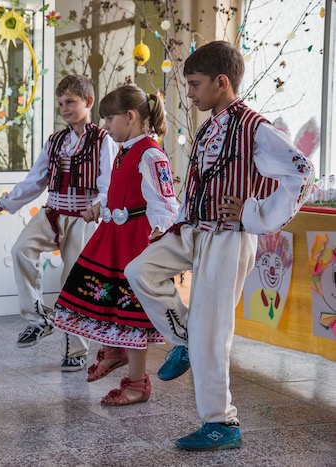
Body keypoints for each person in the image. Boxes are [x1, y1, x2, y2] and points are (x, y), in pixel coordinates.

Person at [125, 41, 315, 450]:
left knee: (213, 332)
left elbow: (303, 173)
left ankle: (221, 422)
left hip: (229, 238)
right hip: (194, 229)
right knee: (139, 271)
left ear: (221, 82)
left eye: (194, 84)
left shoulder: (254, 127)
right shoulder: (212, 124)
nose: (190, 93)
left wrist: (254, 213)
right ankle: (185, 342)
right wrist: (175, 222)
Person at [53, 85, 179, 405]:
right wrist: (102, 206)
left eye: (109, 120)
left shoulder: (151, 153)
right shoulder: (124, 148)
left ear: (130, 117)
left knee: (131, 310)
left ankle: (137, 382)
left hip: (136, 240)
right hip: (113, 234)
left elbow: (165, 203)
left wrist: (159, 235)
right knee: (98, 293)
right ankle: (113, 351)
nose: (105, 127)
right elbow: (118, 189)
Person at [0, 75, 117, 372]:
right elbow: (34, 182)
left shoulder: (103, 140)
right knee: (21, 250)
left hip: (83, 219)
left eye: (70, 102)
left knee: (72, 281)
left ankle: (76, 350)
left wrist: (101, 204)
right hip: (52, 214)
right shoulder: (55, 141)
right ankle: (38, 318)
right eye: (60, 103)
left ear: (89, 103)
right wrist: (1, 204)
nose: (64, 108)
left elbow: (110, 183)